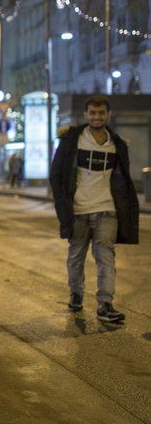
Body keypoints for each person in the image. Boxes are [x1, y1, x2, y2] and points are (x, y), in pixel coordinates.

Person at [49, 95, 139, 323]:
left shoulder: (117, 144)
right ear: (85, 115)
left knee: (106, 257)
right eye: (93, 113)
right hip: (78, 211)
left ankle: (105, 304)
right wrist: (62, 206)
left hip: (107, 210)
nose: (97, 117)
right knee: (76, 257)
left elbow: (123, 180)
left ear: (108, 115)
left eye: (101, 113)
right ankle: (76, 293)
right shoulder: (72, 141)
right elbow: (57, 174)